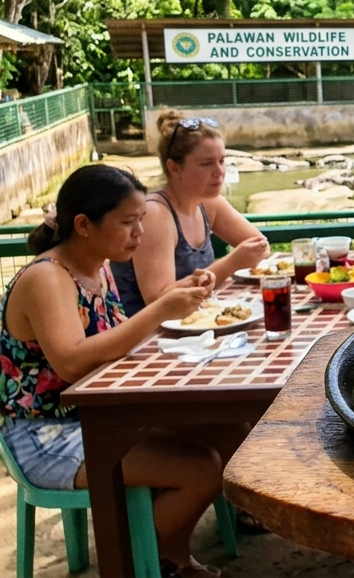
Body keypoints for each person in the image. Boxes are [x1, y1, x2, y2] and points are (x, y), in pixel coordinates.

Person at [1, 166, 229, 577]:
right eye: (127, 222)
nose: (139, 233)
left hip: (98, 414)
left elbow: (113, 341)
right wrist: (160, 311)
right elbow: (71, 362)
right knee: (201, 468)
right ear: (83, 225)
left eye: (141, 220)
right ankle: (146, 561)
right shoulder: (47, 278)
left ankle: (166, 557)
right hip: (45, 434)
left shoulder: (97, 265)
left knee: (227, 432)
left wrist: (184, 290)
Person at [111, 112, 269, 315]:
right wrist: (231, 262)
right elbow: (158, 300)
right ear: (174, 168)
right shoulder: (155, 214)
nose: (219, 172)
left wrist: (243, 257)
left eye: (222, 161)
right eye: (207, 164)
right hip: (147, 331)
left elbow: (260, 246)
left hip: (194, 322)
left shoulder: (208, 202)